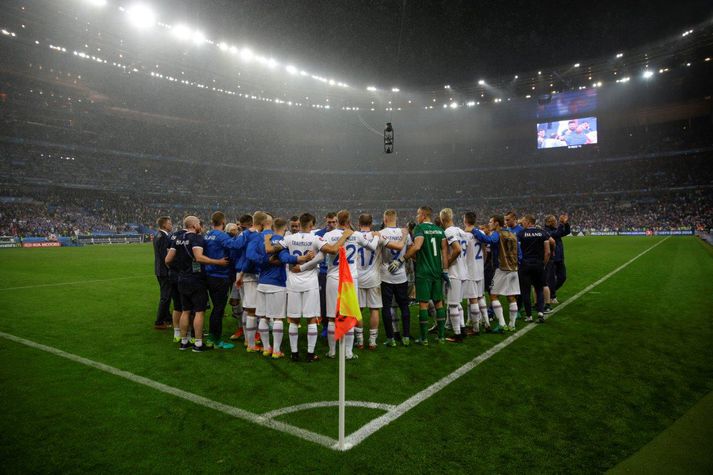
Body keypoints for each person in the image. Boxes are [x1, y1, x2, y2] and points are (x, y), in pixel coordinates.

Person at [165, 216, 229, 352]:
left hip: (181, 279)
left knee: (185, 310)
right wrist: (219, 262)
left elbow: (168, 259)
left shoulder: (178, 238)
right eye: (199, 223)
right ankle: (198, 344)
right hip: (195, 279)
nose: (201, 225)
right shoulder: (197, 238)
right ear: (194, 225)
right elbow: (199, 257)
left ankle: (184, 342)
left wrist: (180, 268)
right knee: (199, 312)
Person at [317, 210, 375, 359]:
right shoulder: (356, 235)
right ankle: (348, 352)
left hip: (333, 278)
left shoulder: (328, 235)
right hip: (350, 279)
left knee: (331, 317)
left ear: (337, 221)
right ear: (349, 220)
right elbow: (372, 247)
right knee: (349, 315)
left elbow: (321, 256)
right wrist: (376, 236)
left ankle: (332, 351)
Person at [253, 218, 313, 359]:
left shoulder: (263, 240)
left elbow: (256, 258)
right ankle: (276, 350)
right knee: (278, 318)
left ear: (273, 226)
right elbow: (286, 258)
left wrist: (267, 260)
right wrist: (304, 258)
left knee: (263, 317)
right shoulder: (283, 241)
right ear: (285, 227)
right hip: (277, 283)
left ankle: (266, 348)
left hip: (262, 283)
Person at [268, 213, 324, 362]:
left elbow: (275, 249)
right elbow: (323, 255)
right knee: (311, 318)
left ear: (299, 224)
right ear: (312, 225)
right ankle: (311, 354)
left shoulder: (288, 238)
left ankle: (294, 353)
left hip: (292, 282)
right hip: (310, 283)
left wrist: (269, 245)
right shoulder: (316, 238)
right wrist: (305, 265)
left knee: (293, 319)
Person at [394, 206, 448, 344]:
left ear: (423, 215)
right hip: (437, 270)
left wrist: (402, 259)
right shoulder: (440, 230)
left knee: (423, 304)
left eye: (418, 214)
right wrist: (445, 270)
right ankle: (441, 337)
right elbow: (444, 252)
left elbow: (417, 246)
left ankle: (424, 338)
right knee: (439, 303)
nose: (417, 217)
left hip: (424, 271)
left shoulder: (420, 229)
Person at [355, 213, 405, 349]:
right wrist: (405, 234)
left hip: (358, 278)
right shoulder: (378, 236)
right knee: (374, 309)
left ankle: (359, 340)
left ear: (359, 223)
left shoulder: (354, 236)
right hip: (374, 278)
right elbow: (399, 247)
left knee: (357, 310)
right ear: (371, 224)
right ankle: (372, 341)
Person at [471, 215, 520, 332]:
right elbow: (519, 252)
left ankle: (502, 323)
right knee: (511, 297)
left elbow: (489, 240)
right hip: (514, 268)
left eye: (491, 222)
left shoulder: (497, 233)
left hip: (501, 268)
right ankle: (512, 325)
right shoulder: (512, 233)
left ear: (497, 223)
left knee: (493, 295)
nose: (490, 224)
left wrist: (474, 230)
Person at [203, 211, 242, 349]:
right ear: (223, 222)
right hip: (220, 276)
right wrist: (245, 234)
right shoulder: (222, 236)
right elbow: (236, 246)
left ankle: (212, 337)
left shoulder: (207, 235)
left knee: (216, 308)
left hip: (208, 275)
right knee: (218, 309)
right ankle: (215, 340)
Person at [237, 211, 272, 352]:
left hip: (247, 274)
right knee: (252, 310)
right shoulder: (257, 237)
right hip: (252, 276)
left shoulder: (250, 235)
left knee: (248, 309)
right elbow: (250, 256)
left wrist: (240, 273)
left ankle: (248, 340)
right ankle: (251, 344)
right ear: (263, 224)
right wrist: (265, 261)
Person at [380, 209, 412, 347]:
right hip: (401, 276)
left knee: (386, 307)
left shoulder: (381, 233)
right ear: (396, 219)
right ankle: (406, 337)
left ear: (385, 219)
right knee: (404, 305)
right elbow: (411, 250)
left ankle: (390, 338)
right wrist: (401, 260)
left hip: (385, 275)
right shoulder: (404, 233)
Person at [440, 208, 468, 342]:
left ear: (442, 219)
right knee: (457, 304)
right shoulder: (461, 231)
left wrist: (448, 264)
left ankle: (457, 335)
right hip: (464, 271)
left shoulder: (448, 231)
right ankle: (462, 329)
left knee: (452, 305)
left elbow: (457, 249)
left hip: (455, 272)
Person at [516, 215, 551, 323]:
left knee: (525, 291)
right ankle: (540, 313)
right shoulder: (543, 233)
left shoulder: (521, 234)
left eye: (523, 222)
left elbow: (517, 251)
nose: (522, 224)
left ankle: (529, 316)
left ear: (528, 222)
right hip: (538, 264)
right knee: (539, 289)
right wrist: (543, 264)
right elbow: (548, 252)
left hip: (525, 265)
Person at [462, 212, 490, 334]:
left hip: (470, 270)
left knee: (473, 299)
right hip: (479, 269)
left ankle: (475, 328)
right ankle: (487, 323)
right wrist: (482, 263)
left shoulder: (465, 235)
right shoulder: (481, 233)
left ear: (465, 220)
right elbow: (485, 251)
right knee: (481, 297)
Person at [314, 212, 337, 337]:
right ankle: (326, 326)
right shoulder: (318, 235)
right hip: (323, 272)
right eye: (329, 222)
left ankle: (339, 325)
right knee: (324, 301)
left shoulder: (340, 235)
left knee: (338, 301)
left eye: (334, 222)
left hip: (336, 272)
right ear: (325, 221)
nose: (332, 224)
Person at [544, 214, 571, 304]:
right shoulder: (545, 231)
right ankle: (552, 296)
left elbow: (566, 232)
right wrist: (561, 224)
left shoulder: (554, 229)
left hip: (559, 258)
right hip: (552, 259)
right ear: (549, 222)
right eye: (554, 220)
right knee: (550, 279)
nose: (556, 222)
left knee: (562, 277)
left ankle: (548, 292)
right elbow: (556, 234)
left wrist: (566, 224)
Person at [153, 216, 173, 330]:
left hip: (159, 269)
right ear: (164, 225)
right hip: (164, 271)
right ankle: (159, 322)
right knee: (165, 297)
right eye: (169, 223)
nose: (171, 225)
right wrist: (171, 268)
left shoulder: (158, 235)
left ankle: (167, 317)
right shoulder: (164, 237)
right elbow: (165, 257)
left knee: (166, 295)